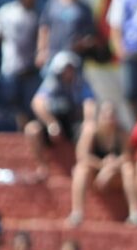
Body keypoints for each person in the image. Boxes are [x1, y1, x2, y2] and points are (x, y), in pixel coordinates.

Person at [69, 101, 137, 226]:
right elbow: (82, 156)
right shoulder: (91, 132)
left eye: (112, 115)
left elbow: (127, 157)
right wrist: (102, 165)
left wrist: (111, 167)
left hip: (115, 175)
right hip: (95, 174)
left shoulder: (121, 133)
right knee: (80, 169)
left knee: (128, 169)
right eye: (105, 115)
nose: (109, 118)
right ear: (99, 116)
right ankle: (77, 213)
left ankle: (135, 212)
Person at [25, 50, 96, 179]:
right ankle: (42, 167)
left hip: (73, 123)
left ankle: (81, 166)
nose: (68, 72)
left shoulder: (81, 83)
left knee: (88, 130)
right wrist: (51, 123)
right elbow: (37, 103)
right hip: (54, 123)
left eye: (71, 68)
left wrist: (88, 121)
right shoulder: (51, 83)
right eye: (65, 69)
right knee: (32, 129)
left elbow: (89, 103)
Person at [0, 0, 41, 130]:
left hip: (31, 69)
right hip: (10, 68)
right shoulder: (6, 12)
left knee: (32, 107)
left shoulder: (38, 14)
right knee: (16, 108)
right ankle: (22, 136)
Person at [36, 0, 98, 72]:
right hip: (52, 57)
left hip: (73, 60)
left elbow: (91, 36)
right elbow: (44, 28)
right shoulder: (52, 3)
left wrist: (82, 43)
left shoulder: (84, 9)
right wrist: (41, 51)